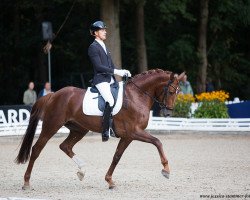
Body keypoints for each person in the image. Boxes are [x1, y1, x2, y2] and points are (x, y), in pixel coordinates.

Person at [88, 20, 131, 142]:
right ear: (96, 33)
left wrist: (122, 71)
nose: (105, 32)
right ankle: (105, 130)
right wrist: (117, 72)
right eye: (102, 30)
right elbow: (99, 67)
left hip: (110, 79)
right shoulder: (93, 47)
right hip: (101, 80)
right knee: (110, 100)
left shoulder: (104, 46)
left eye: (105, 30)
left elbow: (111, 66)